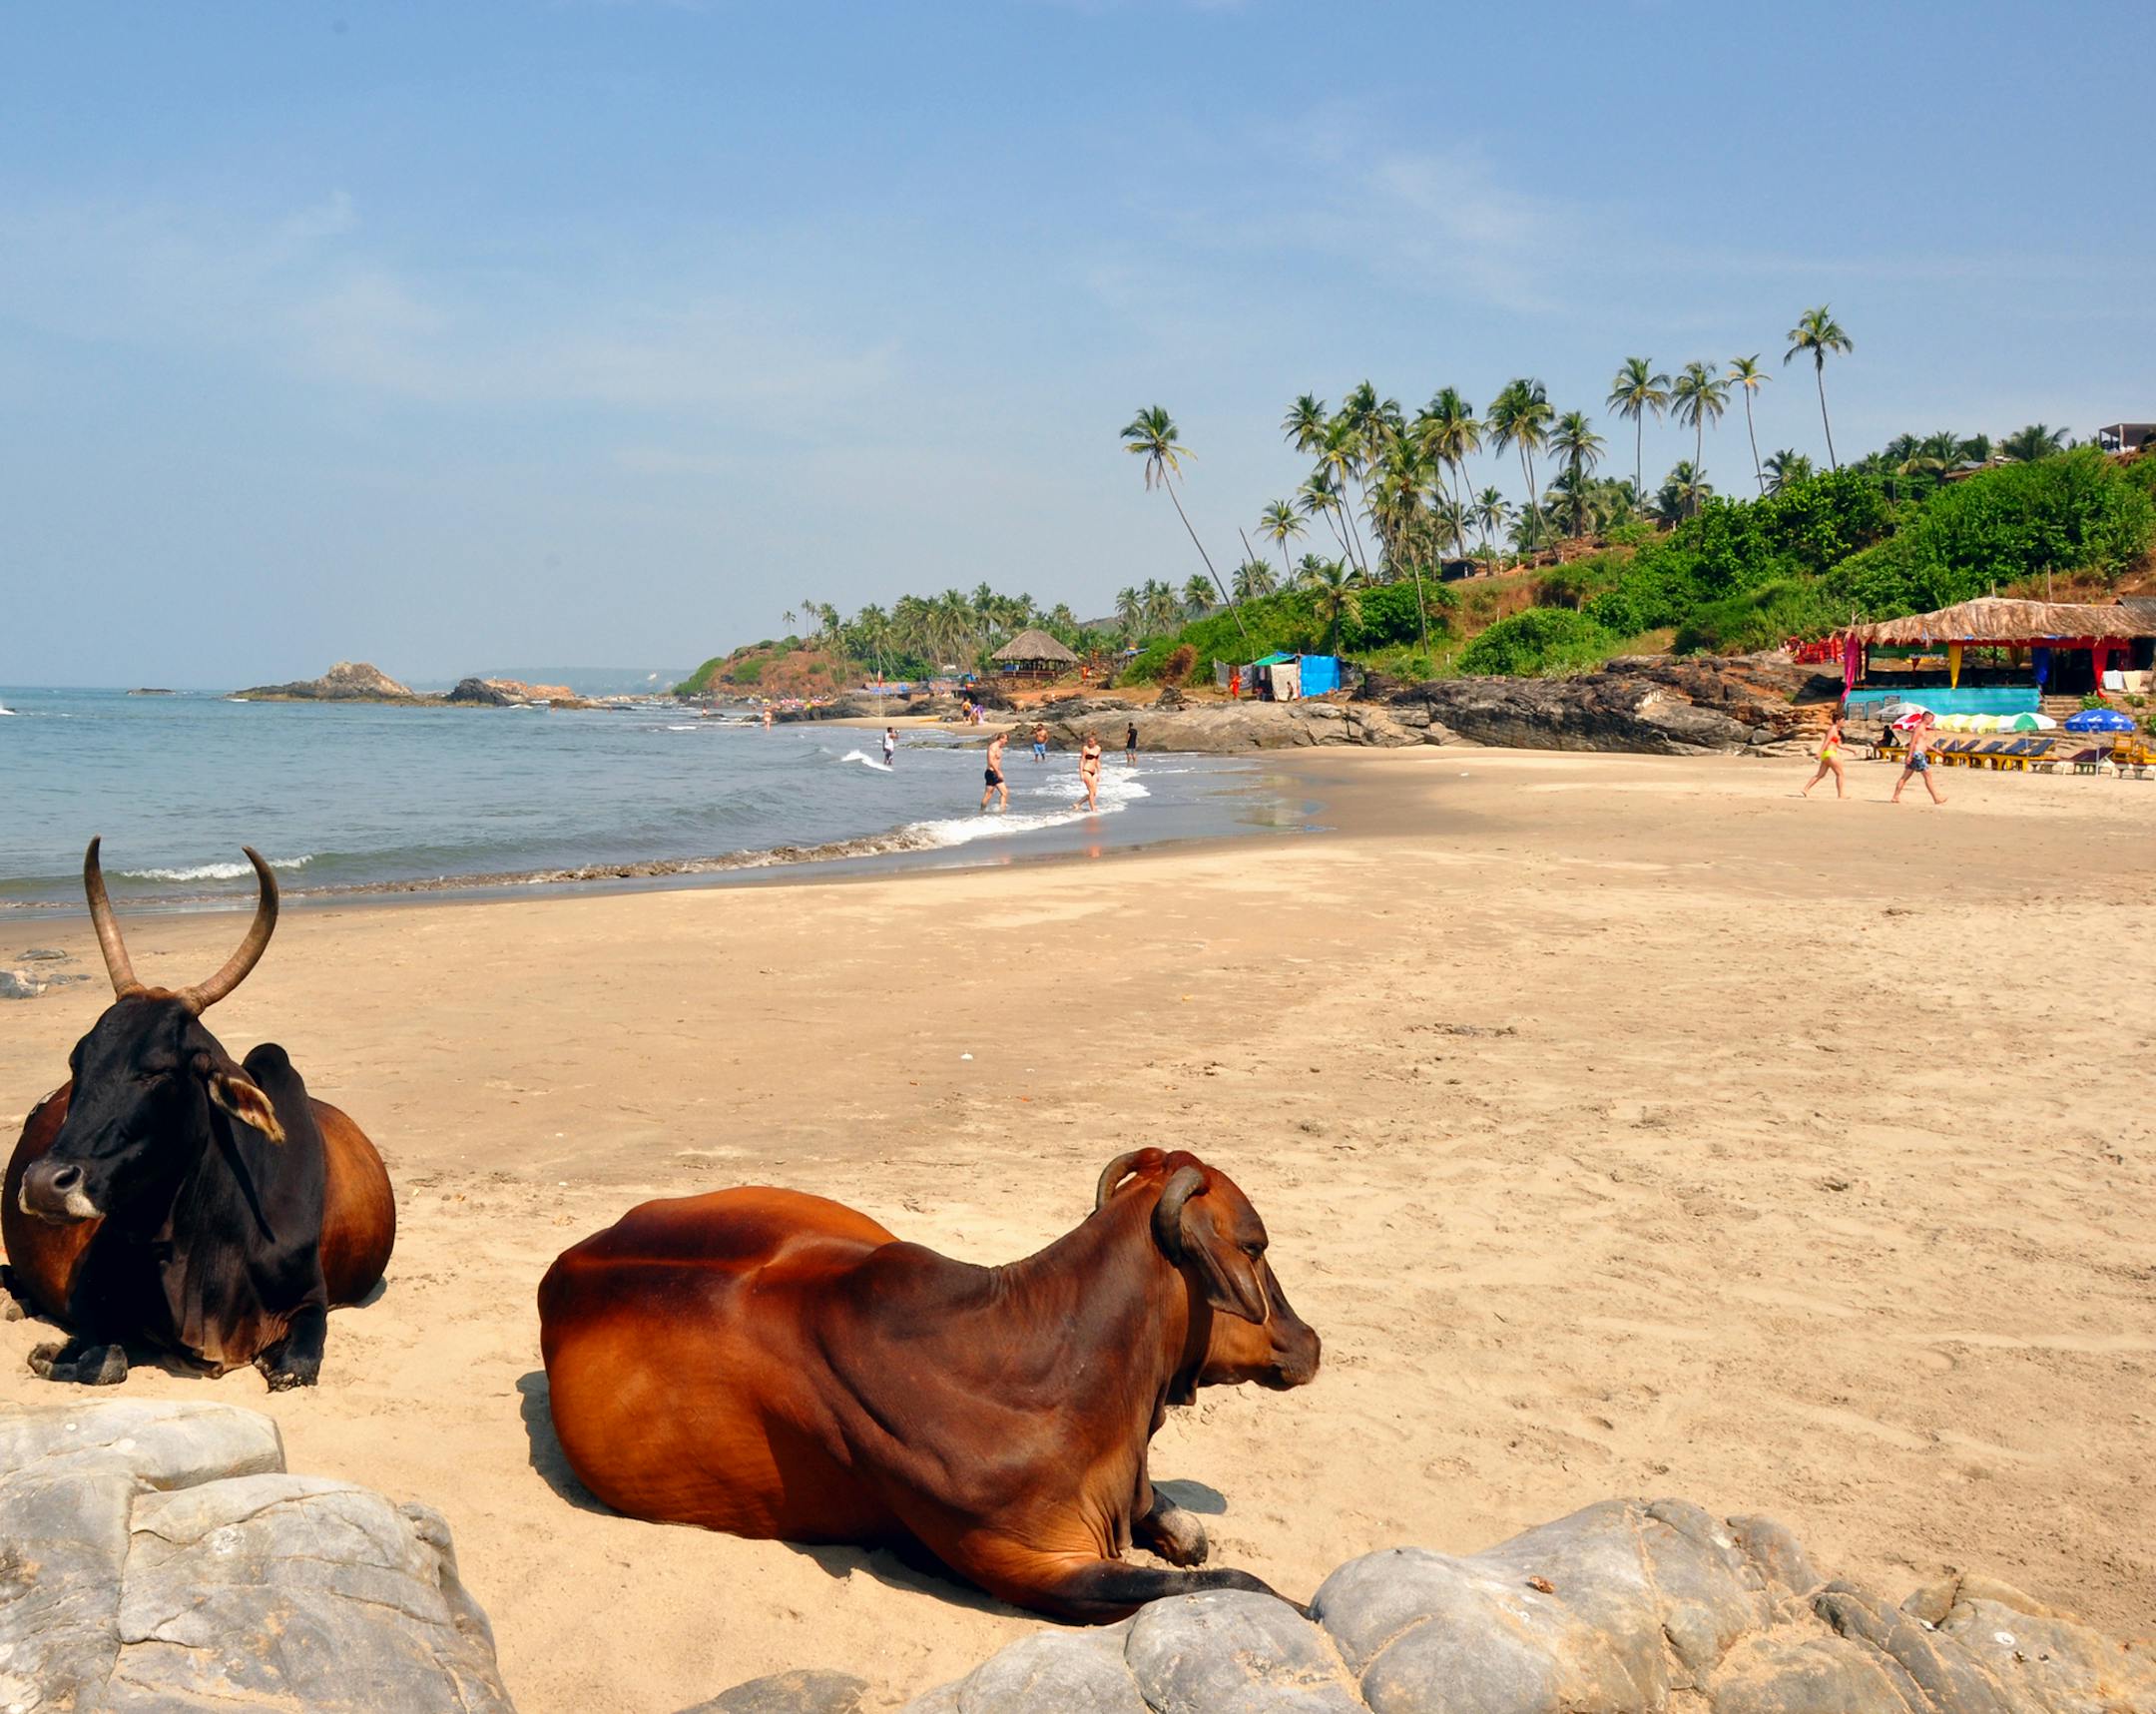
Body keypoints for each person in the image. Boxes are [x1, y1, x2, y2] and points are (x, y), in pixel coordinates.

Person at [1889, 712, 1946, 806]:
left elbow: (1923, 743)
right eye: (1931, 719)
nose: (1932, 721)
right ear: (1926, 718)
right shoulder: (1919, 727)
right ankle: (1936, 798)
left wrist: (1935, 750)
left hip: (1917, 755)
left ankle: (1895, 797)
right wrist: (1910, 755)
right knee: (1927, 776)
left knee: (1905, 777)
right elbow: (1913, 742)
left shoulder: (1923, 728)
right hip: (1917, 755)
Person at [1801, 713, 1847, 800]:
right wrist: (1819, 752)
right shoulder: (1832, 729)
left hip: (1827, 754)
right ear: (1837, 721)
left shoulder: (1836, 730)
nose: (1844, 722)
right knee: (1840, 774)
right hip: (1830, 753)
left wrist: (1851, 750)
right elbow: (1826, 741)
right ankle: (1841, 795)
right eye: (1842, 721)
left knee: (1820, 775)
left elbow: (1839, 745)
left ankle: (1805, 789)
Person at [980, 729, 1009, 814]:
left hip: (993, 773)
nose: (1006, 741)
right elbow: (990, 761)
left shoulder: (999, 747)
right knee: (999, 793)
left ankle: (983, 811)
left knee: (996, 793)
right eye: (1006, 739)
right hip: (992, 773)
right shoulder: (993, 747)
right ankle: (1000, 812)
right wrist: (998, 772)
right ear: (1001, 738)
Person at [1079, 731, 1102, 811]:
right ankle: (1093, 809)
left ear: (1095, 742)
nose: (1090, 743)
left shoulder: (1098, 748)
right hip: (1086, 770)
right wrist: (1081, 773)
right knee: (1091, 791)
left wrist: (1099, 773)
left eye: (1091, 741)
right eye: (1088, 741)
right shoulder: (1085, 748)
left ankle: (1078, 803)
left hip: (1094, 772)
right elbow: (1082, 761)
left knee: (1094, 792)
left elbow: (1098, 761)